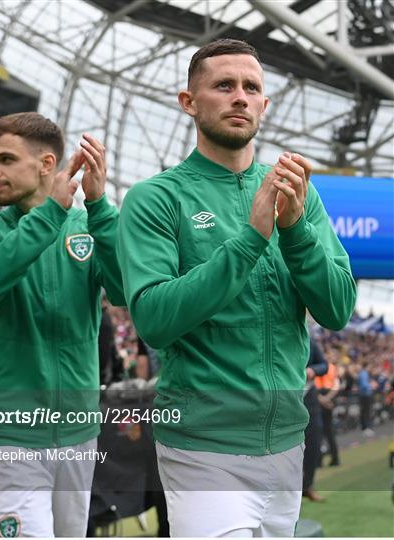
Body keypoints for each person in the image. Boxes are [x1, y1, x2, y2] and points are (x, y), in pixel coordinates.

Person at [117, 39, 356, 537]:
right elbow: (155, 320)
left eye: (251, 88)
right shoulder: (155, 198)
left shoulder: (297, 192)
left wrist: (295, 231)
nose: (240, 97)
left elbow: (337, 308)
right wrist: (251, 238)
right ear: (189, 102)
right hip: (204, 448)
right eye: (224, 85)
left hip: (288, 441)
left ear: (265, 105)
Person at [0, 112, 124, 537]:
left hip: (78, 430)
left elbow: (126, 294)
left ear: (46, 165)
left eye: (6, 159)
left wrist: (101, 208)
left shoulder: (88, 226)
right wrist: (52, 213)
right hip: (8, 433)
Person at [302, 340, 328, 503]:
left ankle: (308, 486)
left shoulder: (310, 342)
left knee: (314, 443)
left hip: (309, 397)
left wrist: (312, 370)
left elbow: (324, 365)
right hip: (286, 397)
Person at [315, 349, 341, 466]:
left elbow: (313, 385)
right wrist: (328, 399)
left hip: (320, 397)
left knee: (318, 431)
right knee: (329, 431)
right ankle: (335, 459)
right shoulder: (333, 368)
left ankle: (319, 460)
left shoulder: (320, 366)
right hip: (329, 397)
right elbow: (336, 386)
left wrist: (322, 399)